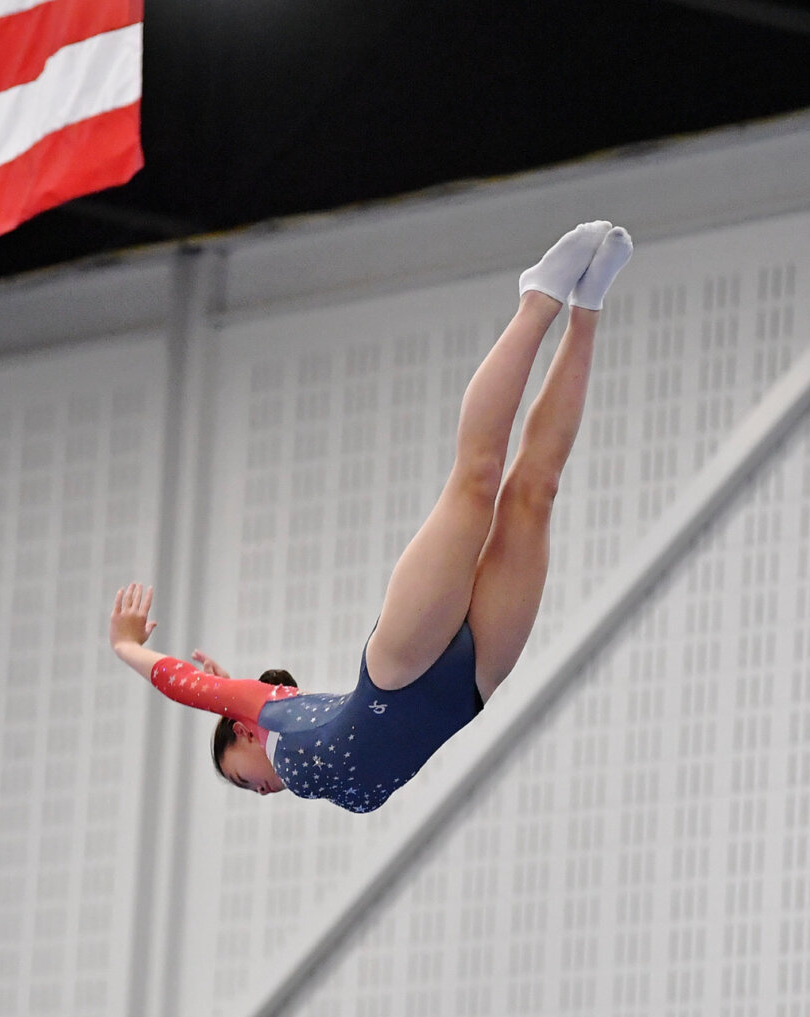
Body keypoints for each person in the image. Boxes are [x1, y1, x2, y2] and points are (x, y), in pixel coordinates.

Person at [109, 221, 633, 812]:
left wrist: (127, 648)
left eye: (236, 777)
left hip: (399, 669)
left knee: (477, 484)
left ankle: (537, 300)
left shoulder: (270, 711)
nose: (253, 792)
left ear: (244, 731)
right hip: (473, 685)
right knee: (536, 492)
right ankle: (588, 306)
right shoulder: (291, 719)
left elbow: (185, 685)